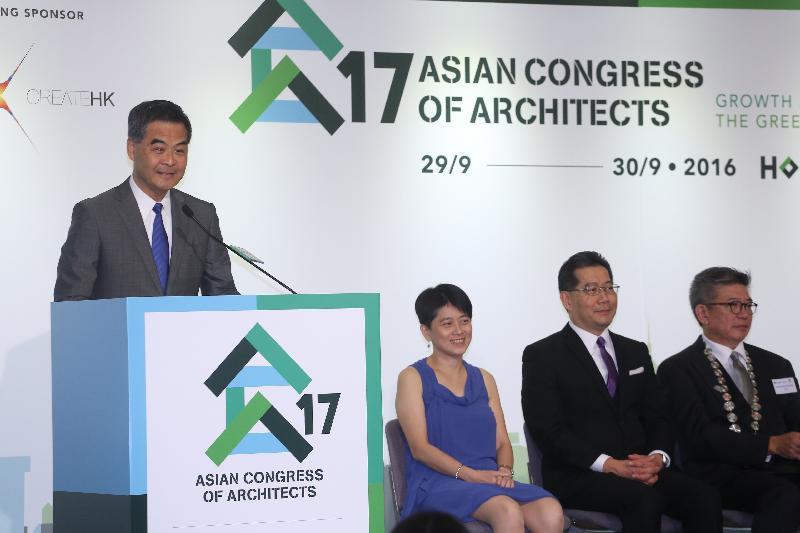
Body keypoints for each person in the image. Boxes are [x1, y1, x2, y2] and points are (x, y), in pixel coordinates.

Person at [522, 251, 722, 532]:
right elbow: (548, 431)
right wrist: (610, 465)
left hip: (641, 471)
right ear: (567, 300)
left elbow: (659, 417)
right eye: (591, 290)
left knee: (704, 497)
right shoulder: (543, 356)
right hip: (581, 475)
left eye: (608, 287)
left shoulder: (635, 351)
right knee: (643, 501)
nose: (604, 297)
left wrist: (657, 458)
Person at [396, 284, 563, 533]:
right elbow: (420, 449)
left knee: (550, 511)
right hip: (439, 482)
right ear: (426, 331)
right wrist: (472, 475)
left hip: (488, 479)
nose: (459, 331)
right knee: (506, 510)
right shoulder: (412, 377)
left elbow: (503, 444)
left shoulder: (484, 379)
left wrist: (504, 470)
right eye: (447, 323)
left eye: (464, 321)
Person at [657, 267, 800, 533]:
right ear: (703, 313)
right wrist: (770, 445)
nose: (744, 313)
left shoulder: (776, 364)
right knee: (783, 495)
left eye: (747, 305)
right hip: (719, 475)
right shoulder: (679, 369)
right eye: (733, 305)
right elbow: (701, 436)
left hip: (779, 469)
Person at [54, 99, 238, 301]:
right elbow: (71, 303)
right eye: (159, 149)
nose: (170, 160)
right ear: (132, 149)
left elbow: (224, 299)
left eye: (179, 150)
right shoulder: (95, 214)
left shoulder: (201, 215)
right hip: (117, 333)